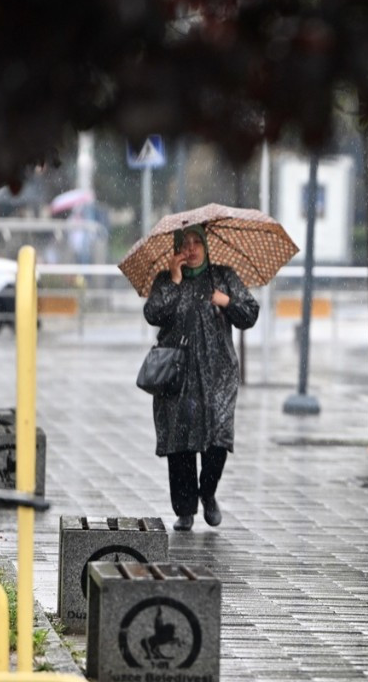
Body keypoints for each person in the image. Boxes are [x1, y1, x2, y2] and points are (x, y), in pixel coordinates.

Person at [143, 224, 259, 531]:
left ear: (207, 246)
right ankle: (185, 510)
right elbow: (153, 314)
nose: (192, 248)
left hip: (218, 375)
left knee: (217, 439)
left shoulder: (224, 276)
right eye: (185, 243)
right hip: (177, 377)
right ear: (176, 249)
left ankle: (208, 493)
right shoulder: (166, 280)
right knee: (180, 444)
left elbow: (249, 313)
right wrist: (174, 282)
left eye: (197, 242)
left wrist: (227, 302)